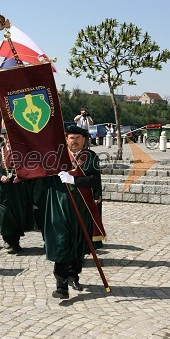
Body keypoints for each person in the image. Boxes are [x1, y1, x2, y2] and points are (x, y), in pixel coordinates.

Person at [44, 125, 105, 299]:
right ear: (66, 139)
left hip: (82, 207)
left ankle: (74, 274)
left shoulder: (90, 157)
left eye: (78, 137)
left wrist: (75, 180)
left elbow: (94, 179)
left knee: (79, 242)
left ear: (84, 140)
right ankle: (61, 285)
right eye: (72, 137)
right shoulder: (57, 156)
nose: (75, 141)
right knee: (62, 241)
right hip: (61, 205)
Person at [0, 128, 33, 251]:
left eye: (11, 137)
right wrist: (0, 176)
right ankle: (7, 240)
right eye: (7, 137)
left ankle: (15, 241)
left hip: (17, 188)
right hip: (2, 190)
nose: (9, 140)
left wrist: (21, 176)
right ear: (4, 138)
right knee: (4, 215)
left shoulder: (22, 153)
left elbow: (29, 169)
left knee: (16, 214)